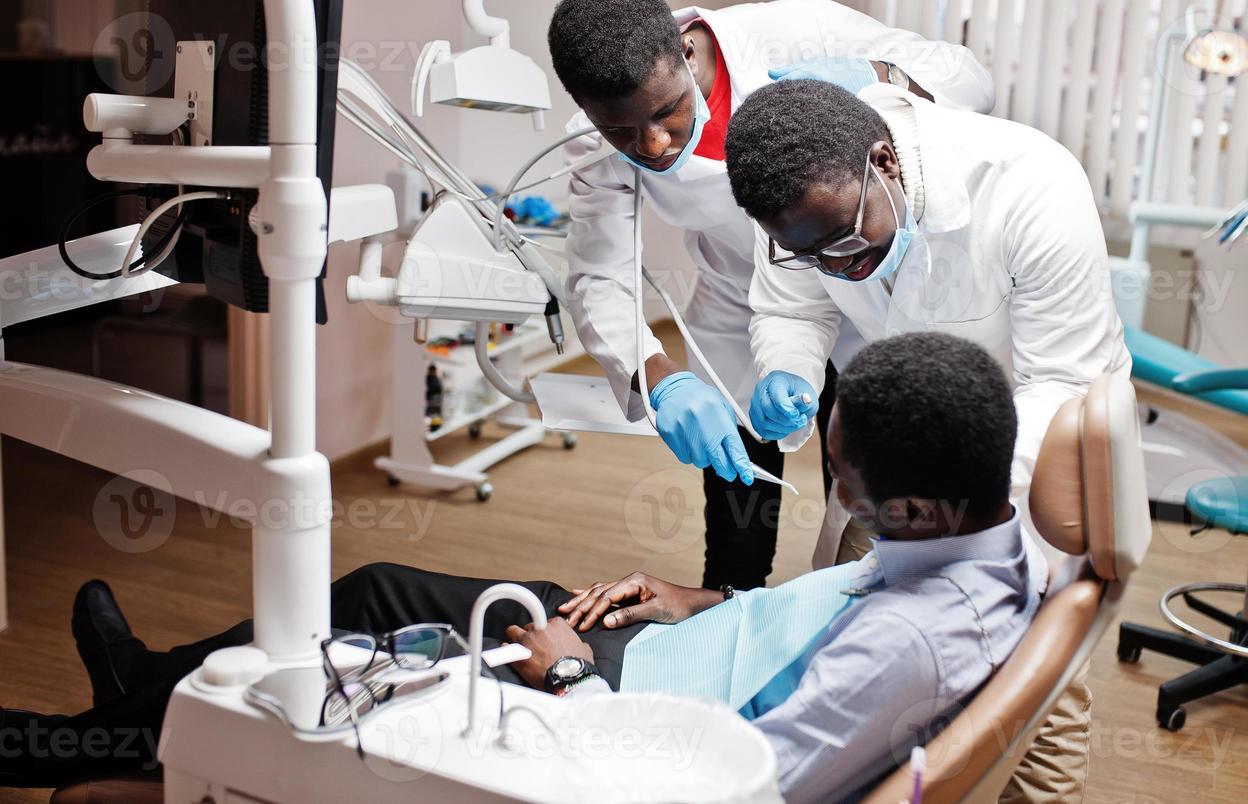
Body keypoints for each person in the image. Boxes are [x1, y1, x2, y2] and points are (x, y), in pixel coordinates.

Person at [1, 334, 1042, 804]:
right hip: (674, 650)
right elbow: (822, 613)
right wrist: (710, 596)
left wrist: (571, 677)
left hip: (626, 716)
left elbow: (733, 789)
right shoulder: (984, 530)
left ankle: (75, 746)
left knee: (356, 659)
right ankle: (139, 697)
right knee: (372, 591)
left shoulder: (911, 644)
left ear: (905, 501)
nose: (834, 489)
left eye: (843, 475)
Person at [724, 77, 1131, 800]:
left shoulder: (1029, 182)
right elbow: (791, 306)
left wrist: (962, 517)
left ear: (882, 162)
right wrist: (788, 368)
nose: (837, 268)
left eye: (848, 242)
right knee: (844, 624)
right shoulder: (796, 201)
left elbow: (1060, 382)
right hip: (893, 450)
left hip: (1021, 461)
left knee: (1032, 674)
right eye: (809, 254)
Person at [547, 0, 994, 590]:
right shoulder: (592, 139)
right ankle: (730, 613)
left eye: (666, 111)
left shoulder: (794, 30)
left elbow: (971, 79)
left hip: (866, 280)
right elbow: (599, 271)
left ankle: (857, 610)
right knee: (736, 499)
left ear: (684, 48)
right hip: (740, 298)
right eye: (622, 132)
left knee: (864, 484)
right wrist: (659, 378)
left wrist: (879, 77)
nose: (652, 143)